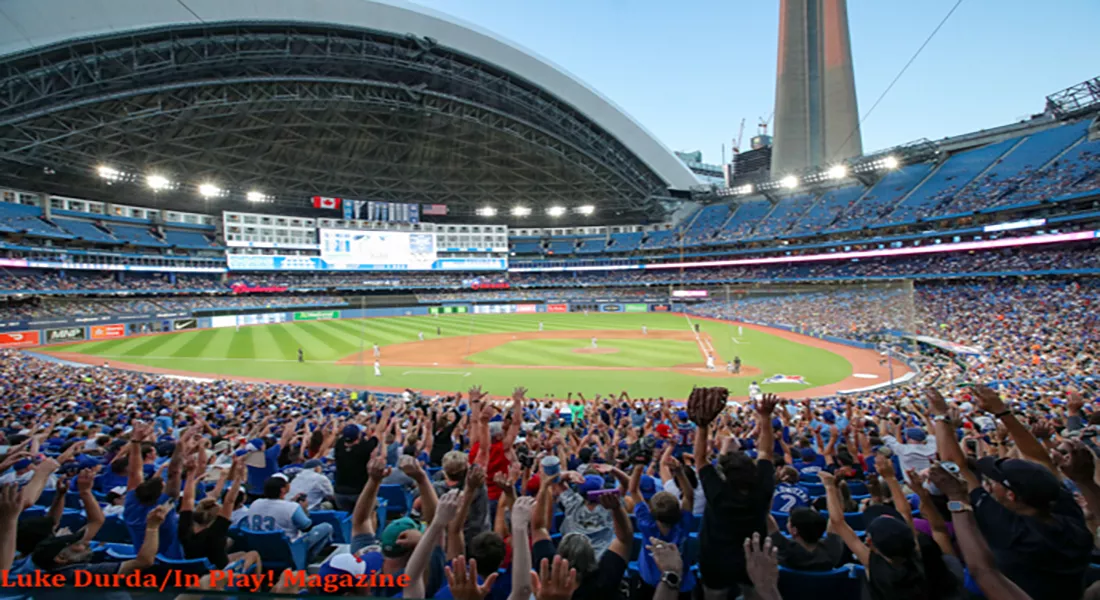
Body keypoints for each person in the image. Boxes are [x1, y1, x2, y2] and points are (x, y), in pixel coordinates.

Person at [244, 474, 333, 563]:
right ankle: (305, 561)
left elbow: (275, 507)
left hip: (261, 549)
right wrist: (304, 510)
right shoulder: (292, 507)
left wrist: (291, 503)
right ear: (283, 489)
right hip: (289, 550)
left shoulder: (255, 503)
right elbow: (307, 528)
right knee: (327, 527)